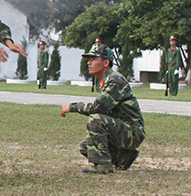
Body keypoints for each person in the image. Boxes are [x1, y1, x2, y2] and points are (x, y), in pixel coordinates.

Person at [59, 42, 145, 174]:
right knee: (85, 147)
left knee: (95, 119)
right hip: (123, 129)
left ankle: (104, 165)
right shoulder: (105, 80)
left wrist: (72, 107)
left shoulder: (114, 80)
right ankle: (123, 158)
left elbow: (96, 108)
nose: (89, 63)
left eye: (94, 59)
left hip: (133, 132)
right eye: (89, 59)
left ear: (106, 63)